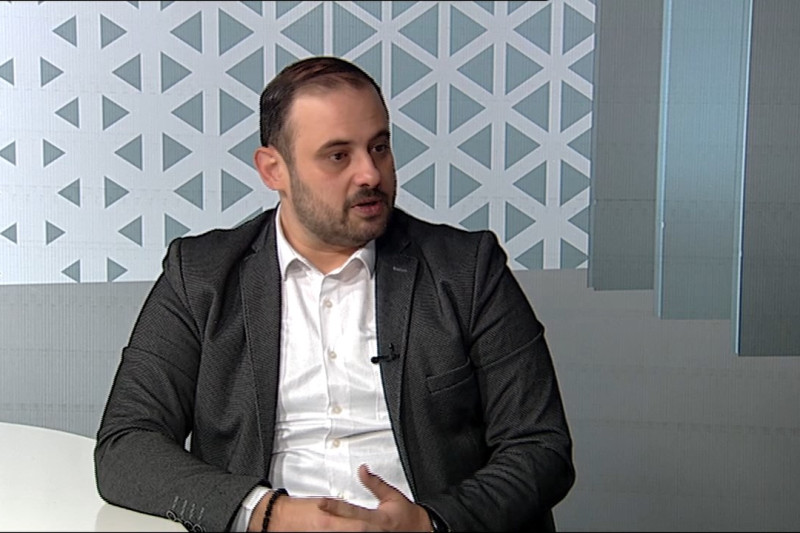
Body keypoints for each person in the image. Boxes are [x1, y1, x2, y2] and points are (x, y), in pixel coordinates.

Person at [94, 56, 575, 532]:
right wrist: (268, 514)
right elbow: (126, 445)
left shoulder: (466, 270)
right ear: (273, 170)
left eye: (379, 147)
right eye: (338, 155)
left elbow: (540, 445)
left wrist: (430, 522)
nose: (370, 174)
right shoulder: (200, 276)